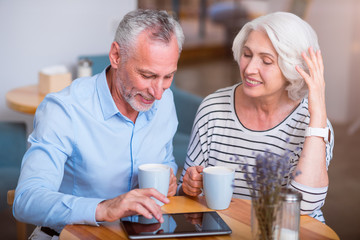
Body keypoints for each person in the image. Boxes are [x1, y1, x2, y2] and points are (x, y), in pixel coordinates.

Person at [13, 9, 185, 238]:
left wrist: (170, 180)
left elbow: (166, 161)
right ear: (116, 56)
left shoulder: (165, 102)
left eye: (168, 76)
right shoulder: (65, 109)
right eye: (147, 75)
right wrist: (103, 208)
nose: (158, 93)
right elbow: (27, 200)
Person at [179, 11, 334, 223]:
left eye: (266, 61)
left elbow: (304, 205)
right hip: (225, 231)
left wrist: (317, 117)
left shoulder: (312, 123)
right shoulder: (213, 108)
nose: (250, 69)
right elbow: (186, 195)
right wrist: (189, 186)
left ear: (292, 69)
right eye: (247, 54)